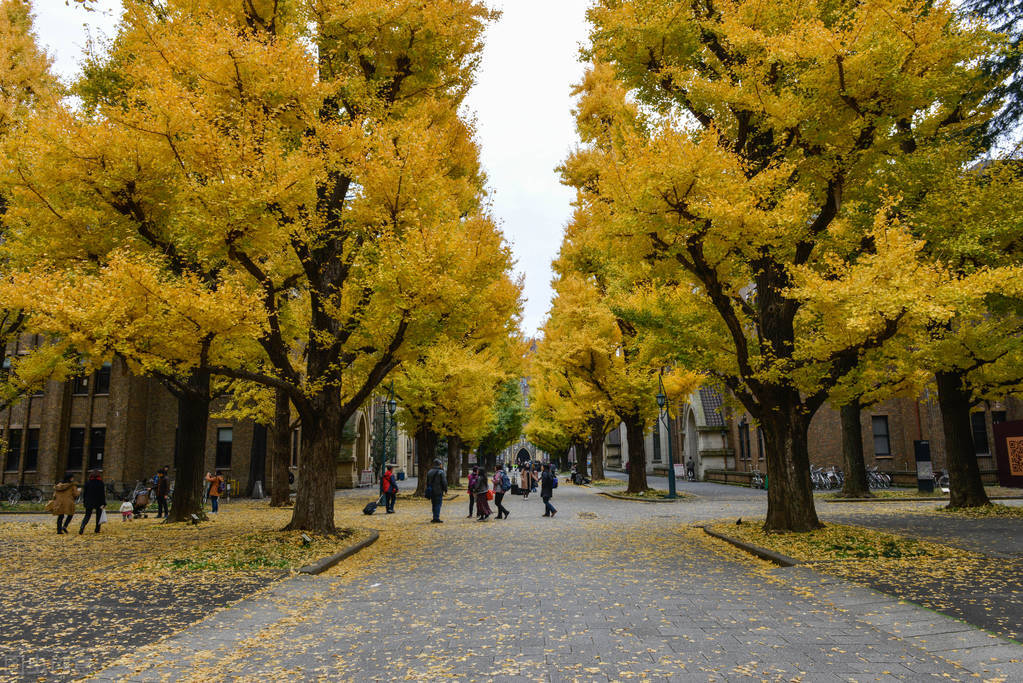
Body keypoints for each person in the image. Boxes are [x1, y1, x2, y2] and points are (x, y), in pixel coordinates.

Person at [79, 470, 106, 534]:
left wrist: (84, 501)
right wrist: (104, 503)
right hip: (98, 502)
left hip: (89, 501)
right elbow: (102, 494)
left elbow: (85, 493)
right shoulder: (100, 483)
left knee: (87, 515)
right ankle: (97, 529)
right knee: (98, 516)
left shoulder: (88, 483)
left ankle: (82, 526)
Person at [425, 458, 448, 523]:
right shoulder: (441, 472)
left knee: (434, 504)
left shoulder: (429, 471)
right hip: (438, 491)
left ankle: (434, 516)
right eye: (441, 464)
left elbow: (427, 482)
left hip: (431, 491)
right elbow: (444, 482)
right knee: (438, 504)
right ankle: (436, 518)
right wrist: (445, 489)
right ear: (439, 464)